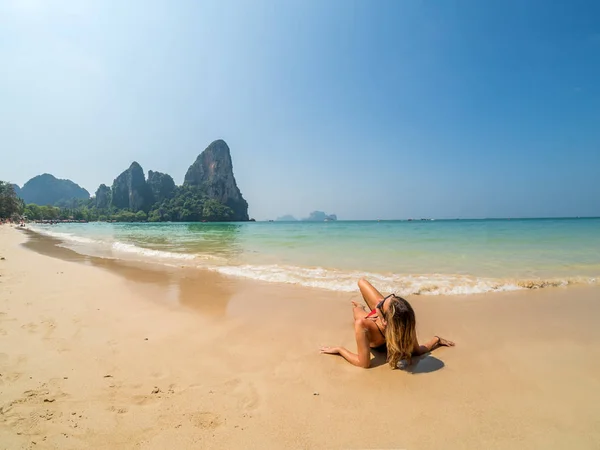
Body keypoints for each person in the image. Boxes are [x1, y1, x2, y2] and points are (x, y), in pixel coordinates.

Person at [320, 278, 455, 369]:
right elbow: (419, 350)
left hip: (373, 324)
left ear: (384, 320)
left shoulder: (363, 325)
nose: (381, 299)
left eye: (381, 303)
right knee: (361, 282)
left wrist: (339, 349)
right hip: (385, 320)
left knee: (357, 310)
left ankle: (361, 307)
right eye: (391, 297)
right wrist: (437, 339)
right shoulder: (404, 322)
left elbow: (364, 363)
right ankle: (386, 306)